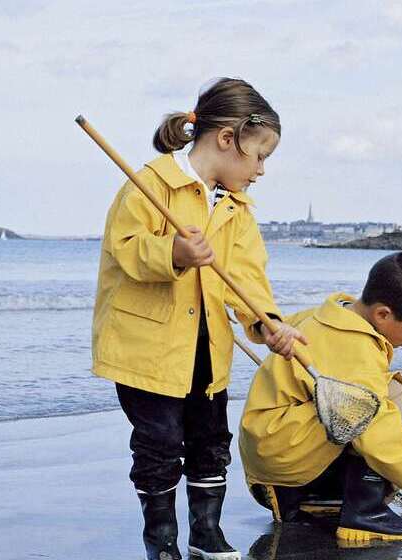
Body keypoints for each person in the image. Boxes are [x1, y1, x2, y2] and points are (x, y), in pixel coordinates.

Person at [92, 77, 306, 560]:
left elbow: (248, 279)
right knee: (160, 442)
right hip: (147, 349)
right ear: (227, 140)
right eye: (261, 156)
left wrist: (268, 324)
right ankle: (161, 541)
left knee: (211, 440)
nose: (262, 171)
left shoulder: (236, 208)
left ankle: (205, 532)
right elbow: (124, 251)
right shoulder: (149, 184)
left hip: (207, 347)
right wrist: (173, 251)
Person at [239, 252, 402, 544]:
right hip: (282, 466)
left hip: (274, 452)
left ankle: (319, 496)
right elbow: (377, 432)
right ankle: (366, 512)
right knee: (382, 399)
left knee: (363, 400)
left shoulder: (326, 315)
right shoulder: (356, 349)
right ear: (383, 314)